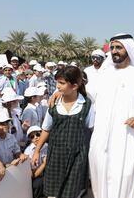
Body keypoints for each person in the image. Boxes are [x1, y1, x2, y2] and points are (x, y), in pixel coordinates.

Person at [88, 33, 134, 198]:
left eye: (119, 47)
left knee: (124, 177)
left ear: (128, 49)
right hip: (101, 137)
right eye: (112, 48)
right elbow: (86, 95)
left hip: (126, 137)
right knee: (99, 178)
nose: (115, 51)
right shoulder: (103, 75)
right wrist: (59, 95)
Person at [32, 66, 95, 198]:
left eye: (61, 83)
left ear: (74, 86)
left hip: (78, 157)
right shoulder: (54, 104)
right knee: (52, 193)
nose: (57, 86)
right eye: (57, 82)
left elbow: (92, 130)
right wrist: (37, 151)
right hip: (56, 156)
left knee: (72, 193)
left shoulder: (86, 105)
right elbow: (46, 129)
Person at [24, 126, 48, 198]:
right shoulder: (28, 152)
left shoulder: (47, 146)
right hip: (37, 177)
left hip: (47, 173)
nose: (35, 137)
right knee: (38, 184)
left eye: (37, 134)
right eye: (32, 136)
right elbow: (33, 175)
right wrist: (44, 164)